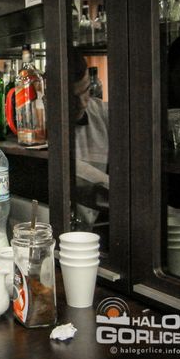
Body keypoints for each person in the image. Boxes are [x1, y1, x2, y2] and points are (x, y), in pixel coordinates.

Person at [69, 48, 109, 230]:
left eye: (85, 91)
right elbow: (75, 173)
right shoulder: (36, 124)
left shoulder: (100, 112)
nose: (82, 103)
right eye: (72, 97)